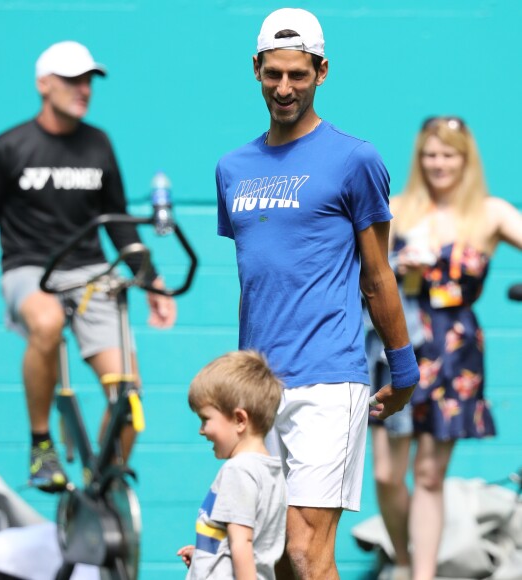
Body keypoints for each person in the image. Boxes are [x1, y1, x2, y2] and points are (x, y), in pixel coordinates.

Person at [215, 8, 420, 580]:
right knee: (271, 552)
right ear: (255, 69)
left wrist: (402, 370)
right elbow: (252, 280)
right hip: (259, 389)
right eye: (273, 74)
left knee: (307, 552)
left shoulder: (355, 159)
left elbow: (377, 275)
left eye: (298, 75)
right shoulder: (232, 168)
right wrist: (239, 378)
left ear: (321, 72)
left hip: (329, 378)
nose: (285, 88)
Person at [0, 41, 176, 492]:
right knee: (48, 321)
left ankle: (99, 491)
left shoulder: (99, 144)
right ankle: (42, 444)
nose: (84, 89)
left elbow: (119, 224)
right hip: (30, 271)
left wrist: (151, 280)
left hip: (92, 272)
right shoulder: (8, 147)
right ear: (44, 84)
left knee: (129, 400)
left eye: (88, 81)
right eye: (73, 80)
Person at [370, 116, 522, 580]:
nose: (439, 163)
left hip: (456, 349)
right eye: (430, 154)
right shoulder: (398, 208)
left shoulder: (491, 212)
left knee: (431, 475)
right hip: (397, 342)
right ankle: (401, 556)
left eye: (449, 154)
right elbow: (359, 266)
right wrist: (397, 262)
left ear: (465, 159)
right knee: (386, 474)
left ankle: (422, 576)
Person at [177, 350, 287, 579]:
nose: (201, 430)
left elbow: (242, 544)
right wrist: (205, 558)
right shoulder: (271, 471)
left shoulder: (238, 471)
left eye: (206, 419)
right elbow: (249, 542)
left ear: (239, 420)